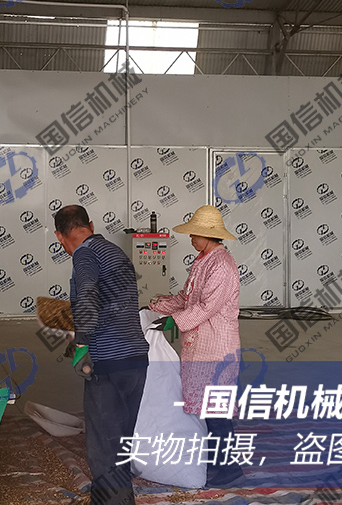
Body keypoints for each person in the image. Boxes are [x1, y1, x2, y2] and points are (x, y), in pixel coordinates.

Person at [54, 205, 149, 505]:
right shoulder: (114, 251)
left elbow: (87, 295)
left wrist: (82, 344)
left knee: (104, 445)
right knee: (121, 439)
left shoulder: (84, 254)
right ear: (91, 225)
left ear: (59, 236)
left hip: (108, 362)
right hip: (135, 359)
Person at [148, 205, 243, 487]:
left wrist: (172, 321)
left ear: (207, 235)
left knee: (216, 410)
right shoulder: (203, 260)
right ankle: (216, 461)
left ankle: (229, 469)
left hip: (217, 346)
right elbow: (187, 298)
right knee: (205, 408)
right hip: (200, 345)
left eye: (194, 233)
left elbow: (206, 307)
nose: (190, 238)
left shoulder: (222, 265)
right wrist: (158, 306)